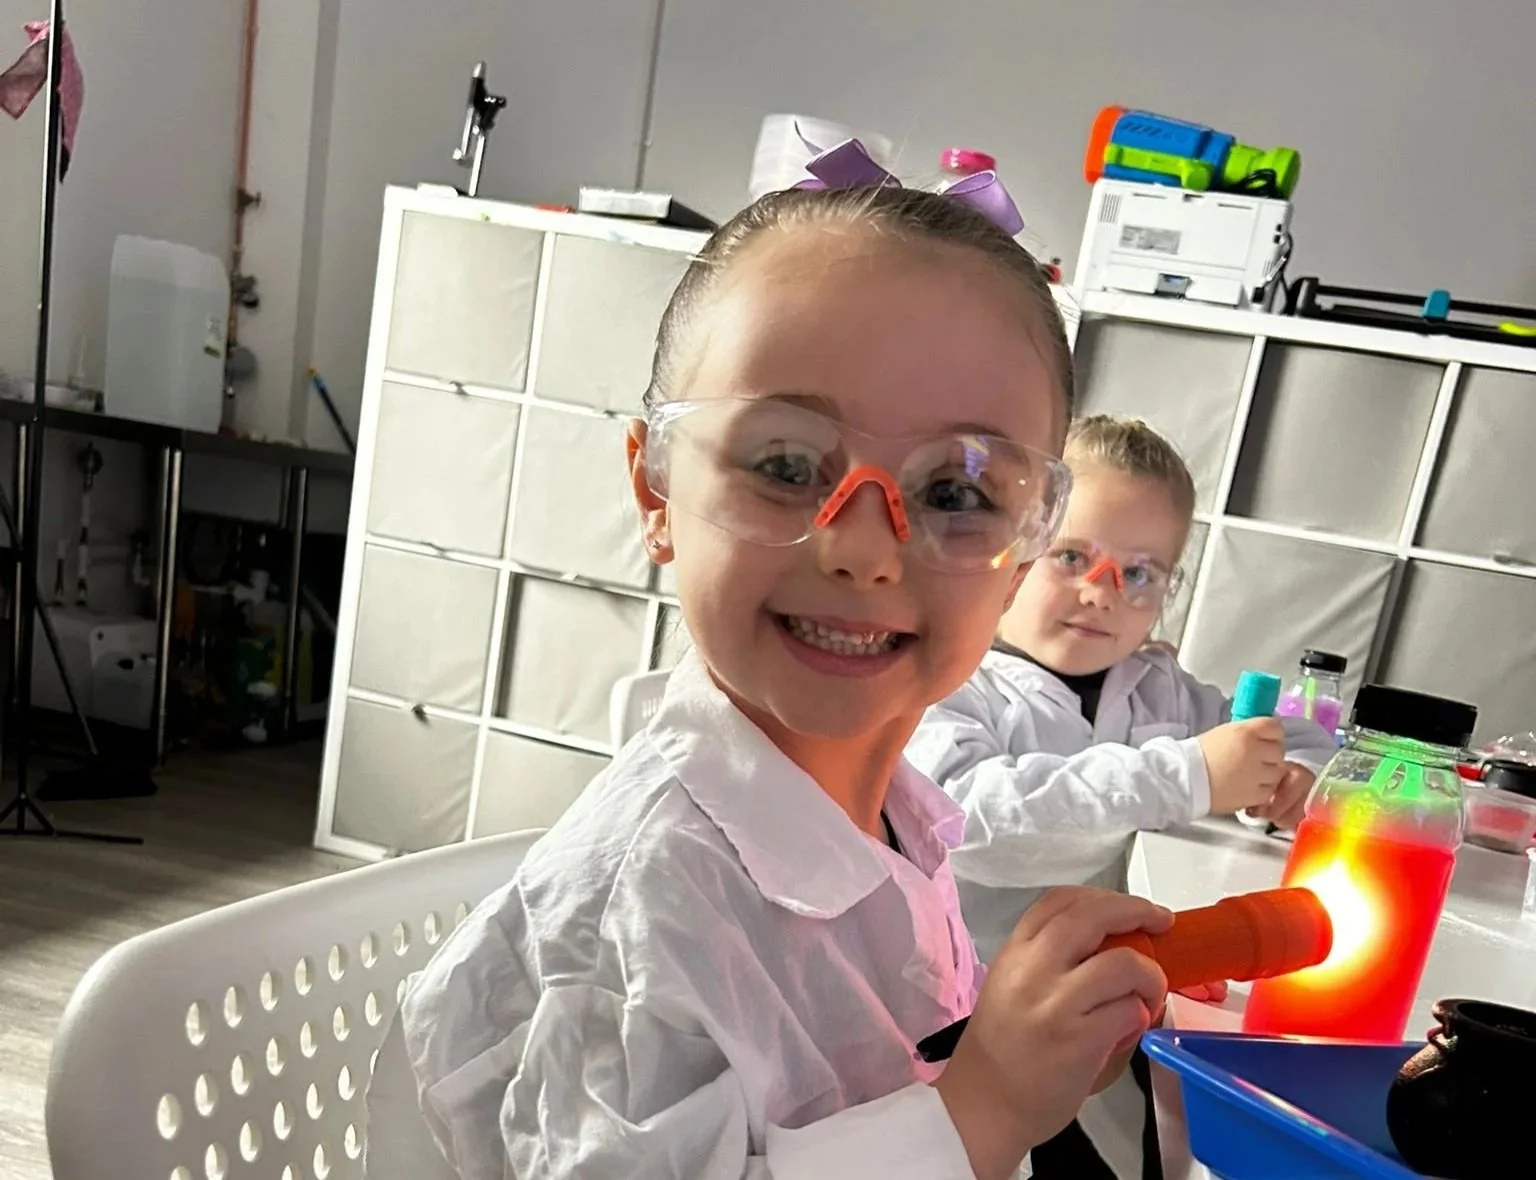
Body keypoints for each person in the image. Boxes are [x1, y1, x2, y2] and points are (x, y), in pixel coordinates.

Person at [362, 148, 1177, 1180]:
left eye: (958, 493)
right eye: (787, 466)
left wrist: (1021, 1057)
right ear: (658, 490)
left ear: (1028, 538)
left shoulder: (897, 818)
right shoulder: (637, 920)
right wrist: (982, 1113)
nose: (865, 550)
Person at [906, 414, 1338, 1178]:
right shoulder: (956, 681)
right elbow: (970, 822)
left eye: (1139, 574)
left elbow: (1294, 742)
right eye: (1073, 556)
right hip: (972, 1028)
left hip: (1122, 1006)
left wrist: (1292, 779)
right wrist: (1190, 776)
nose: (1100, 593)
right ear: (1015, 549)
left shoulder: (1155, 684)